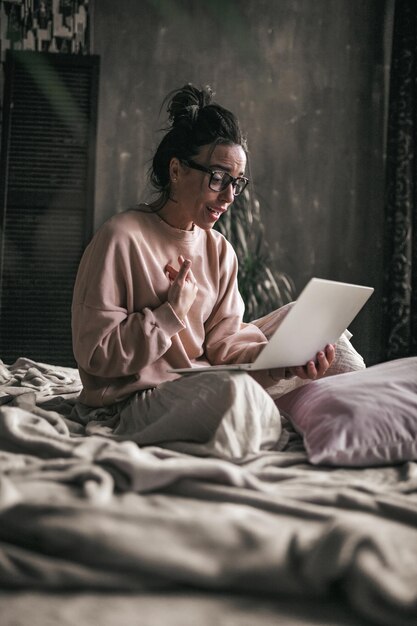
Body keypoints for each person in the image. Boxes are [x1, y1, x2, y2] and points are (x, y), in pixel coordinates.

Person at [71, 84, 364, 459]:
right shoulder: (120, 237)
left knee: (339, 352)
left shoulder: (219, 249)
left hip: (204, 376)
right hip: (134, 399)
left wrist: (285, 364)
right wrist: (169, 315)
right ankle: (263, 415)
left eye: (236, 183)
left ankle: (315, 422)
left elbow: (225, 345)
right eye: (217, 178)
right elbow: (94, 354)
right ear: (176, 170)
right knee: (234, 393)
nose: (228, 197)